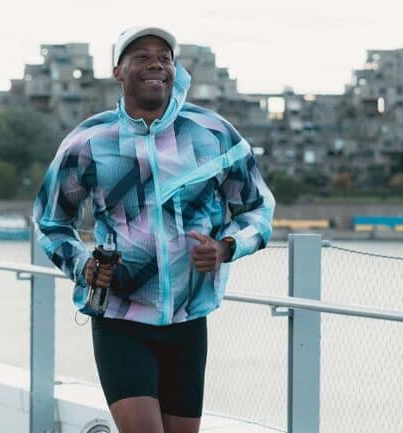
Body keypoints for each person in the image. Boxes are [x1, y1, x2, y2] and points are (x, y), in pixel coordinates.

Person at [32, 26, 275, 433]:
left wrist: (227, 246)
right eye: (141, 56)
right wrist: (83, 266)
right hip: (120, 317)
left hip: (188, 319)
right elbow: (51, 221)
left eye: (164, 56)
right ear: (118, 71)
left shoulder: (212, 134)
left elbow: (258, 208)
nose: (155, 64)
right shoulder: (90, 142)